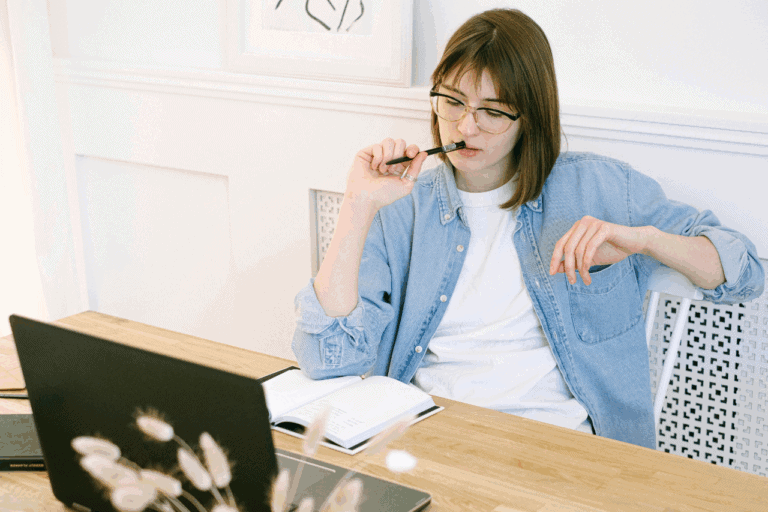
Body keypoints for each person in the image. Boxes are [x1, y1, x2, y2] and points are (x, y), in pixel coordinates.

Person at [291, 8, 764, 449]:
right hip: (431, 437)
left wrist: (645, 240)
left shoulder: (600, 187)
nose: (465, 127)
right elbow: (328, 359)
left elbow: (745, 272)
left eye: (493, 111)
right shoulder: (401, 207)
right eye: (451, 102)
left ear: (529, 116)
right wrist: (356, 206)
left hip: (560, 448)